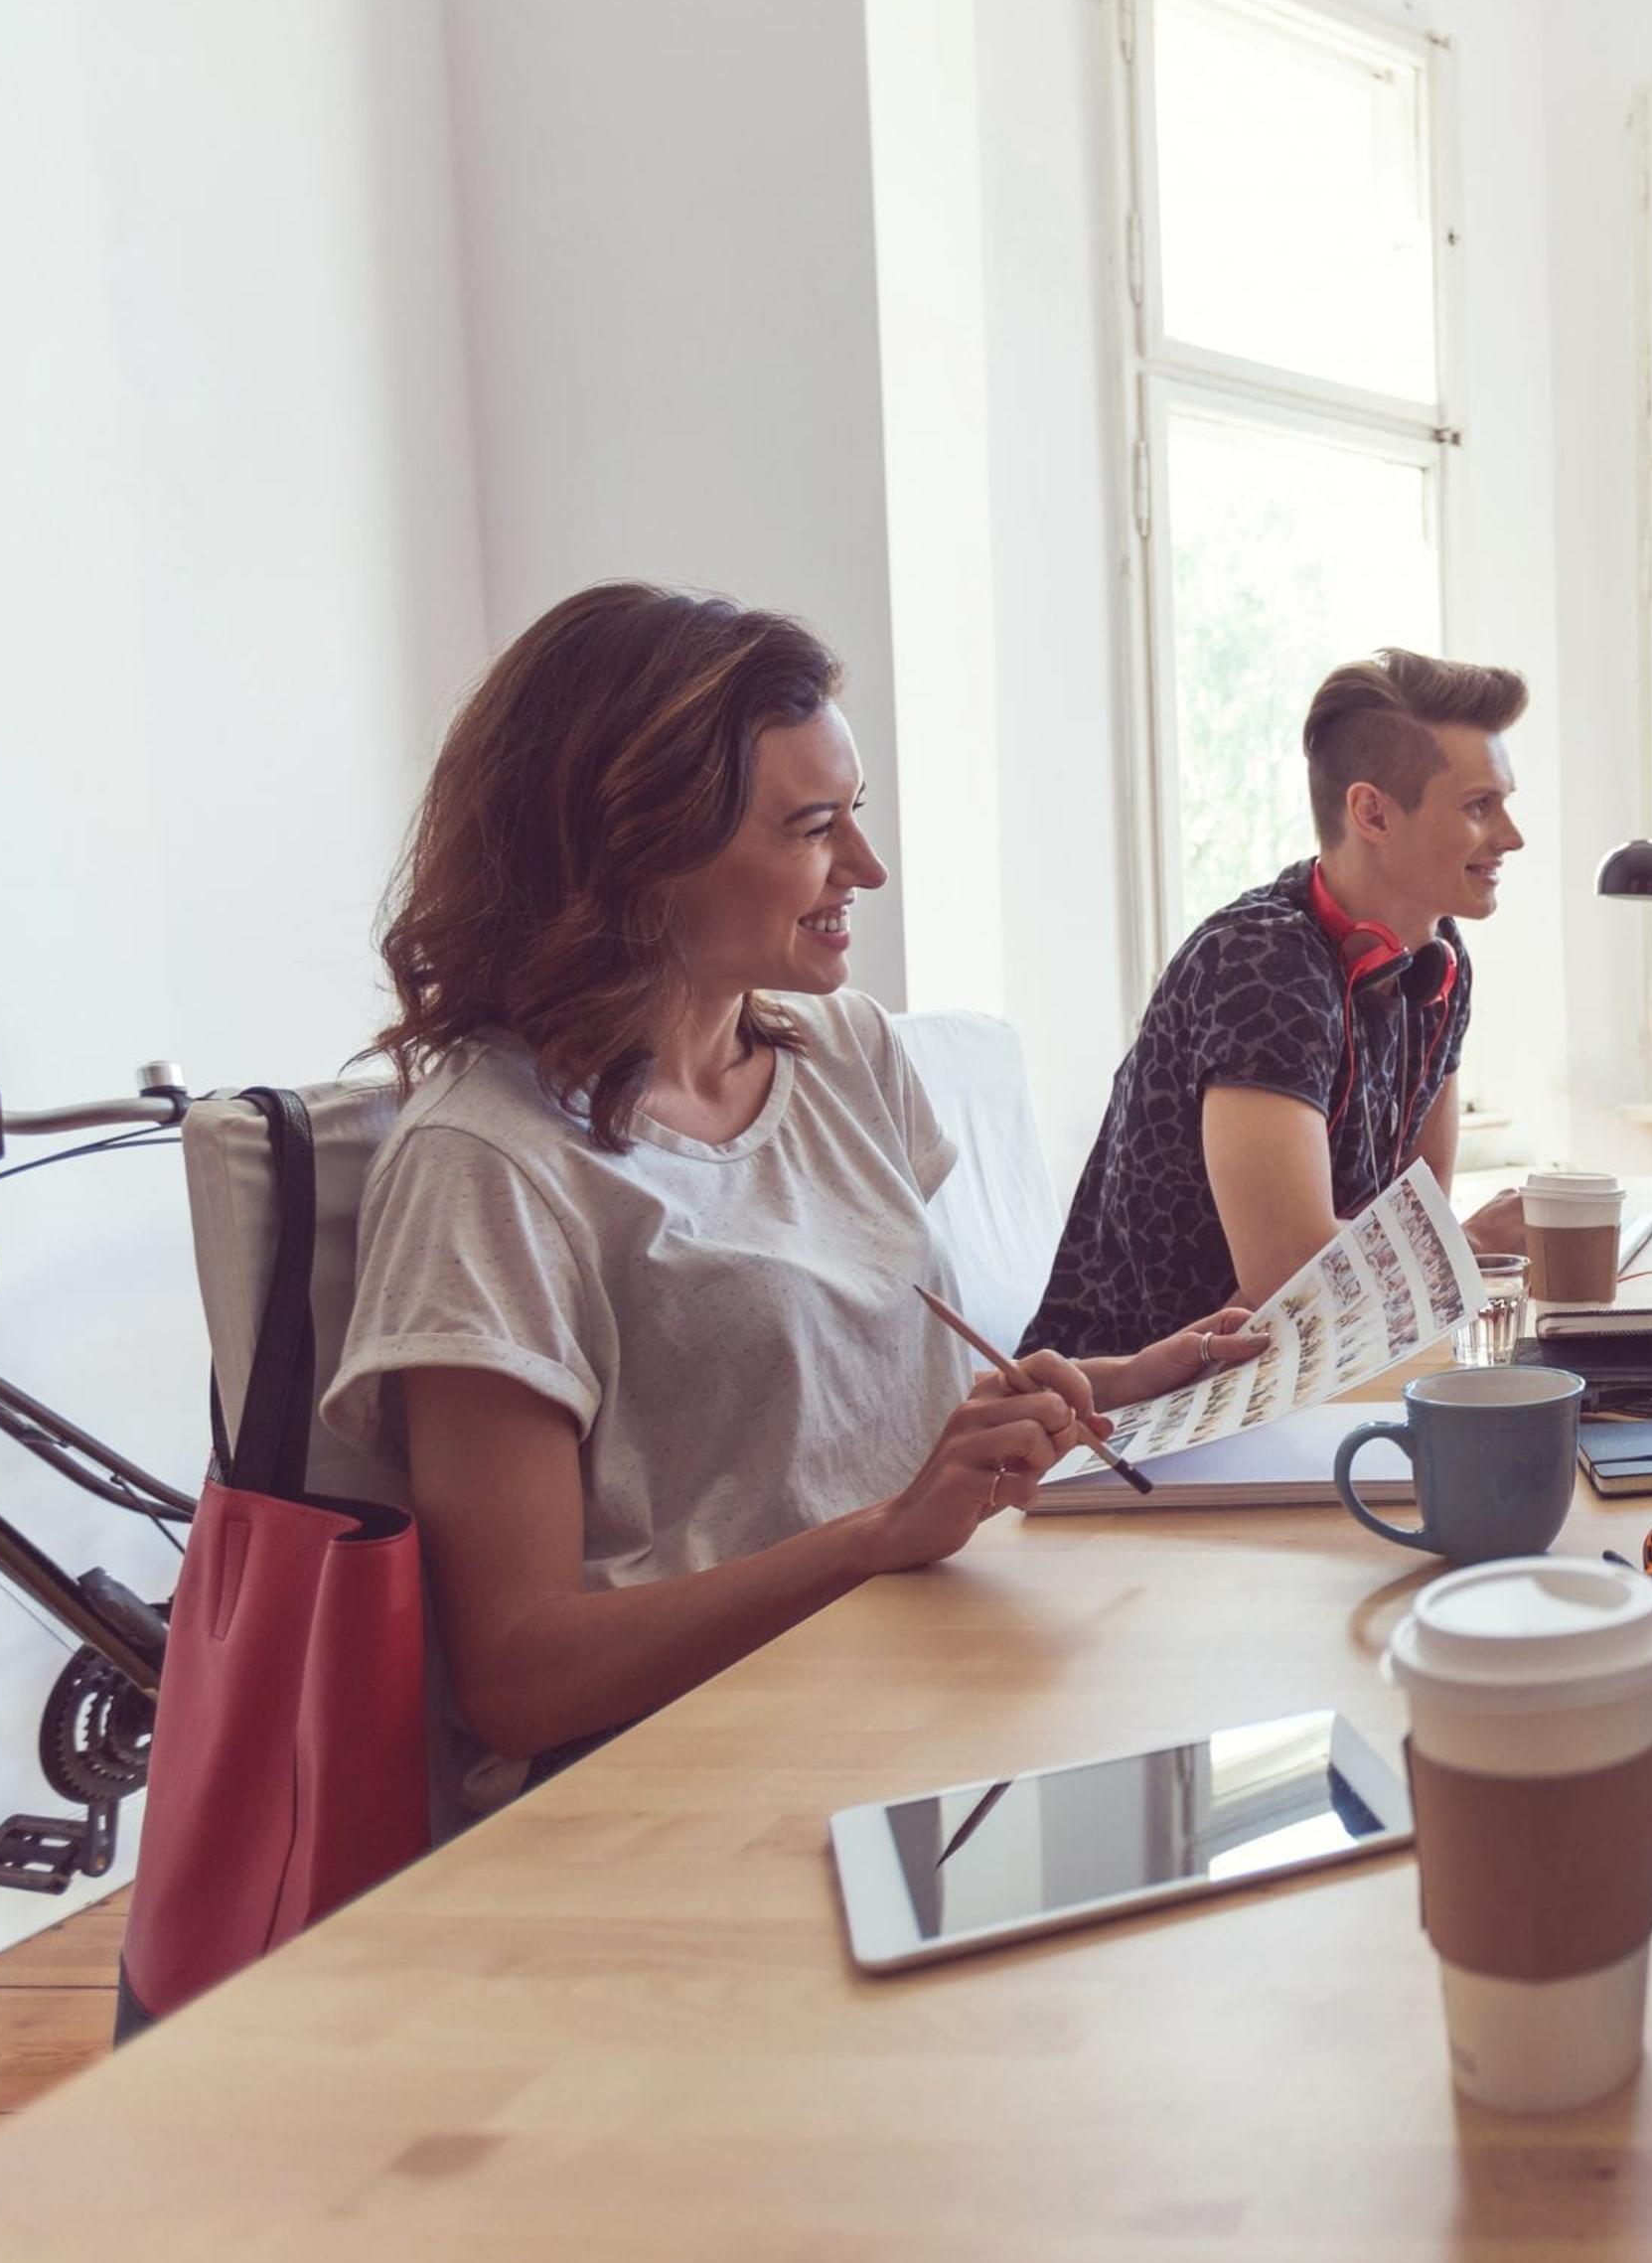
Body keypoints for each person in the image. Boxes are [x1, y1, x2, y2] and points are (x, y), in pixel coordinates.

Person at [328, 584, 1260, 1813]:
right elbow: (516, 1676)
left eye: (854, 812)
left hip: (915, 1686)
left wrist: (1102, 1383)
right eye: (814, 826)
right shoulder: (487, 1166)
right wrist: (877, 1538)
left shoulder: (846, 1054)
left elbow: (851, 1408)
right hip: (693, 1775)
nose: (864, 866)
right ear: (630, 855)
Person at [1024, 651, 1529, 1359]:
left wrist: (1446, 1242)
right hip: (1138, 1417)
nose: (1512, 835)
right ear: (1372, 812)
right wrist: (1476, 1243)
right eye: (1480, 806)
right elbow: (1288, 1275)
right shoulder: (1261, 964)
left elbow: (1416, 1219)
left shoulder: (1438, 960)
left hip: (1303, 1373)